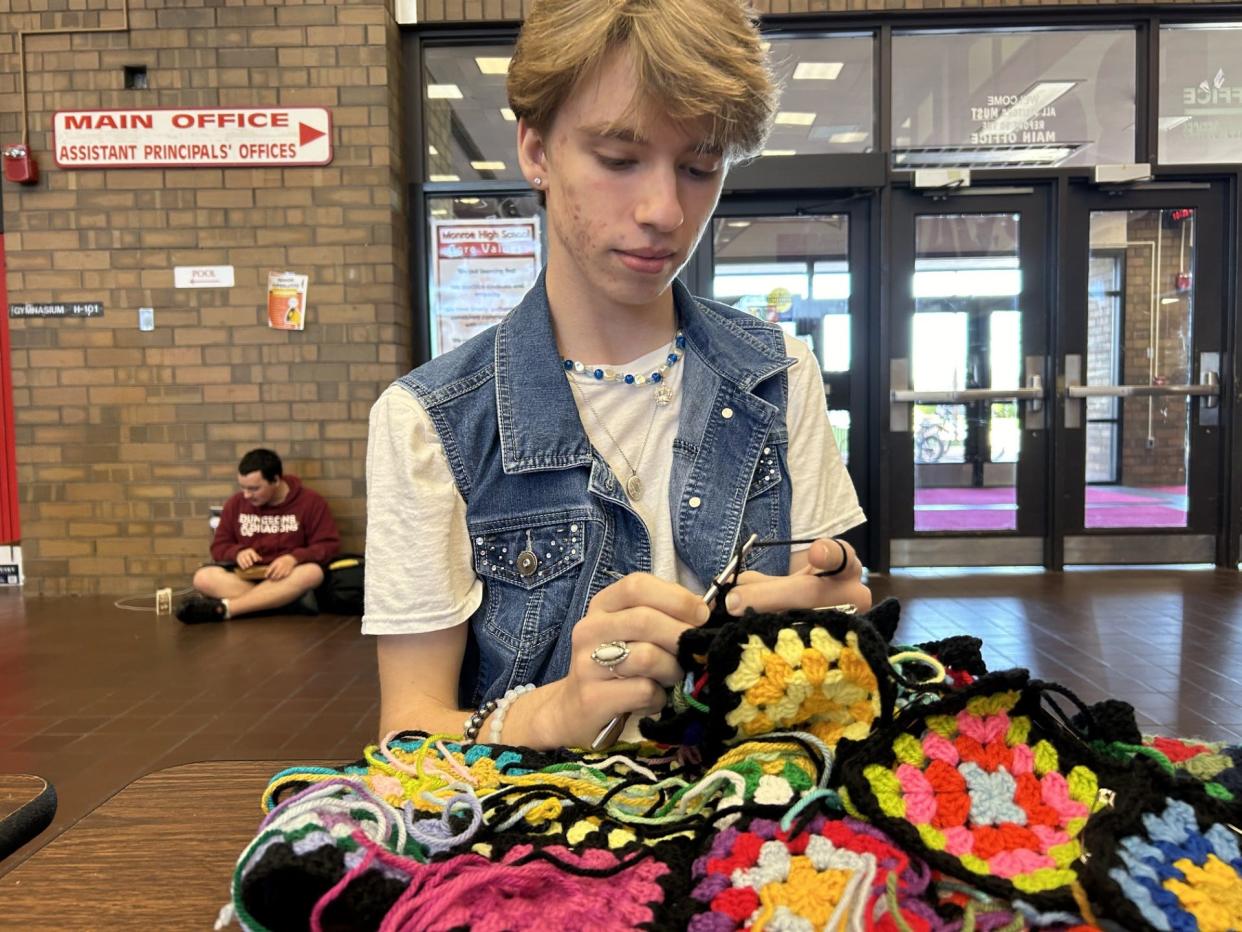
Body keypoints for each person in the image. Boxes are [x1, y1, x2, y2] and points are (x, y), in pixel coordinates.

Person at [364, 0, 870, 750]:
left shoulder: (778, 374)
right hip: (541, 844)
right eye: (618, 158)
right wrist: (557, 710)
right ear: (536, 151)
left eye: (701, 167)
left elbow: (831, 674)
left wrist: (834, 620)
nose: (665, 209)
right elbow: (406, 735)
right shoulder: (431, 421)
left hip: (756, 830)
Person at [177, 448, 341, 623]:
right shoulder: (235, 503)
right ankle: (284, 603)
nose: (247, 495)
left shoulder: (311, 502)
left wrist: (293, 558)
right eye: (243, 488)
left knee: (312, 573)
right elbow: (218, 547)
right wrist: (237, 552)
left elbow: (328, 546)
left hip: (288, 577)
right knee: (202, 578)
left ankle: (227, 609)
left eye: (254, 489)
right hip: (247, 578)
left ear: (276, 480)